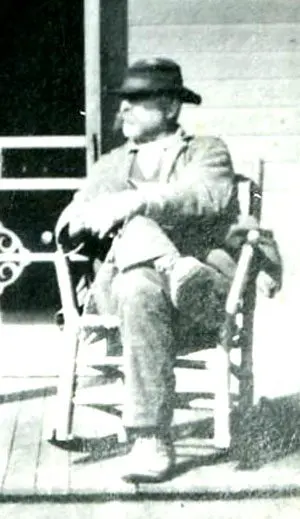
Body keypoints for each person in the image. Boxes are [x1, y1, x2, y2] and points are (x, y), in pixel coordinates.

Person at [55, 57, 245, 483]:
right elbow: (67, 221)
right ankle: (174, 269)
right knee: (138, 282)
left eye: (137, 102)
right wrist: (85, 215)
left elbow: (205, 197)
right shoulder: (110, 165)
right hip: (124, 296)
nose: (123, 110)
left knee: (139, 266)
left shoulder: (207, 151)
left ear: (171, 108)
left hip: (201, 297)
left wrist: (137, 202)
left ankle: (150, 439)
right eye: (124, 101)